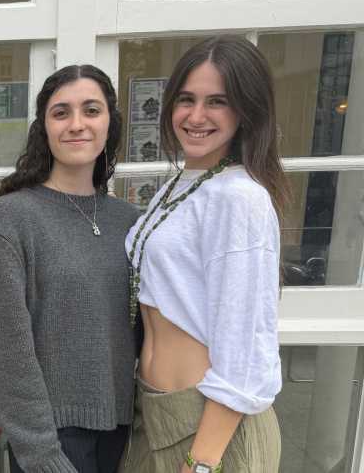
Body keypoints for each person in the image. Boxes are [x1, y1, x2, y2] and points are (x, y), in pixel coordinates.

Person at [121, 35, 289, 473]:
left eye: (217, 101)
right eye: (186, 99)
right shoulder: (185, 185)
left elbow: (245, 340)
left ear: (247, 110)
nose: (196, 116)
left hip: (206, 427)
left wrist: (204, 461)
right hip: (154, 411)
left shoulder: (238, 197)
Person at [0, 65, 139, 473]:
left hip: (122, 427)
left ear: (109, 125)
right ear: (43, 127)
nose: (76, 124)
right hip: (51, 436)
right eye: (61, 112)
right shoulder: (15, 216)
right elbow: (1, 345)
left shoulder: (128, 220)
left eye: (91, 110)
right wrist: (41, 453)